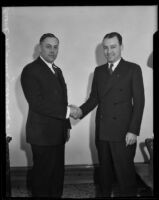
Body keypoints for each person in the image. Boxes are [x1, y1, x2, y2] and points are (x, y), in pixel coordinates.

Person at [70, 32, 145, 197]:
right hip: (103, 131)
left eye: (113, 47)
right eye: (105, 48)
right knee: (104, 176)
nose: (109, 51)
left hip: (124, 133)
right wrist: (80, 111)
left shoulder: (133, 69)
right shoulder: (99, 71)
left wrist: (133, 130)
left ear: (121, 47)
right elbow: (94, 98)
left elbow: (139, 103)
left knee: (125, 177)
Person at [21, 33, 75, 197]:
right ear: (40, 47)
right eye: (48, 46)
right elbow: (37, 103)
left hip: (58, 134)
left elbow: (62, 99)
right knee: (42, 178)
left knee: (57, 176)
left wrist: (66, 126)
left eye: (55, 47)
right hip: (42, 136)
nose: (52, 50)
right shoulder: (30, 70)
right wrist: (68, 112)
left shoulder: (57, 70)